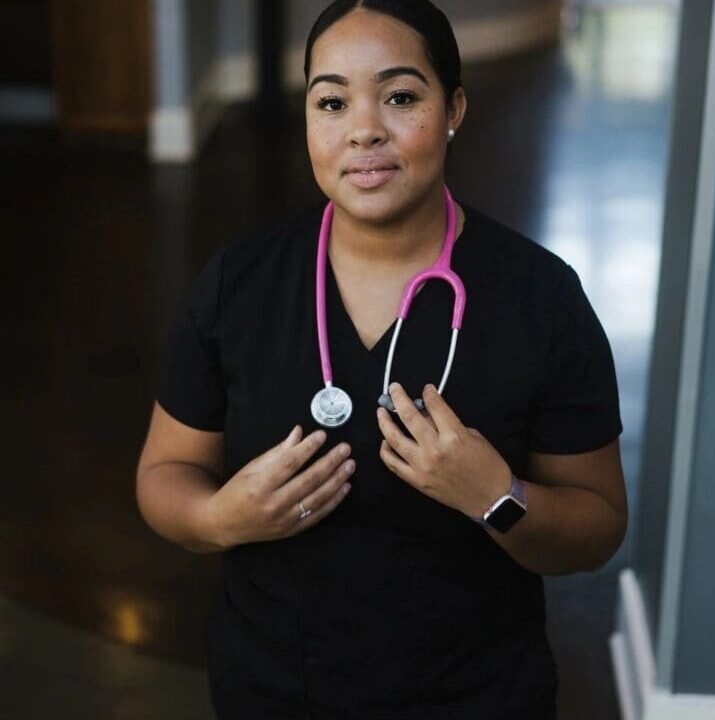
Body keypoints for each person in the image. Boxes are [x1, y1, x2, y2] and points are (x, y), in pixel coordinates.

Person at [135, 1, 628, 718]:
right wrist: (220, 518)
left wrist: (495, 497)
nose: (364, 129)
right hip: (274, 689)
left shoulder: (539, 298)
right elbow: (163, 473)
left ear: (454, 108)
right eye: (332, 101)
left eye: (400, 96)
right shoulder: (238, 284)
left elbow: (598, 526)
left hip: (476, 696)